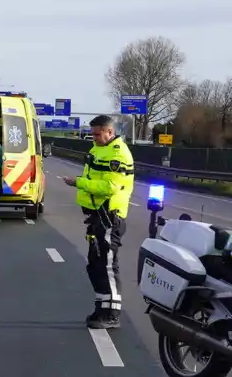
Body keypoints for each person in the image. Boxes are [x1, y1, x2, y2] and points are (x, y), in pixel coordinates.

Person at [60, 114, 134, 330]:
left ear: (110, 132)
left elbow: (110, 187)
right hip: (96, 215)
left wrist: (79, 183)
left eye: (97, 134)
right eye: (91, 134)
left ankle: (112, 313)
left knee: (107, 265)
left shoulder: (118, 154)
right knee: (95, 265)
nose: (93, 138)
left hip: (109, 215)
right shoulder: (97, 149)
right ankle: (101, 307)